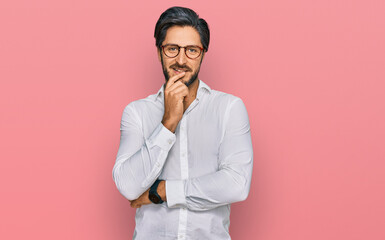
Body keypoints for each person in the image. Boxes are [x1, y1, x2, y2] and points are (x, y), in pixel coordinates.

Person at [112, 6, 253, 240]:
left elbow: (236, 184)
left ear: (203, 53)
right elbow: (128, 186)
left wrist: (162, 191)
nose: (181, 59)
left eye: (191, 50)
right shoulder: (137, 112)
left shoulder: (229, 108)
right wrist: (168, 123)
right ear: (159, 52)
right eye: (172, 49)